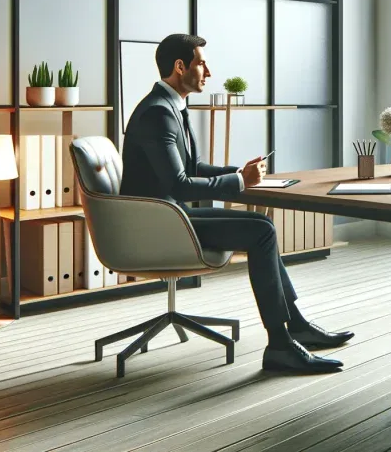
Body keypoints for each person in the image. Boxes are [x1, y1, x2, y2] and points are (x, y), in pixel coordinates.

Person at [121, 33, 353, 373]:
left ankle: (295, 327)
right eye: (201, 63)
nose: (208, 72)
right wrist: (240, 182)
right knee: (260, 231)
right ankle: (280, 344)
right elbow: (180, 185)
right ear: (180, 66)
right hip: (160, 222)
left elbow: (192, 168)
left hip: (171, 215)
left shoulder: (173, 108)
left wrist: (239, 172)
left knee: (263, 226)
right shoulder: (158, 114)